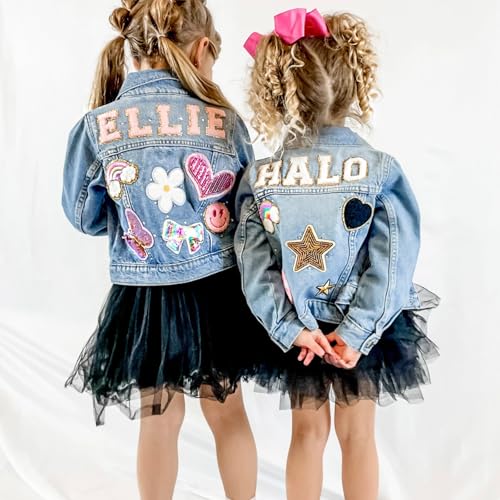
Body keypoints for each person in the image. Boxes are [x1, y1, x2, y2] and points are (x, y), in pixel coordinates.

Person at [62, 1, 271, 498]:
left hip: (144, 295)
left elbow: (81, 214)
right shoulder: (225, 121)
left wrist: (131, 219)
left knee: (157, 419)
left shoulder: (99, 124)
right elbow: (248, 205)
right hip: (217, 290)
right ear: (202, 50)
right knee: (228, 412)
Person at [236, 8, 440, 500]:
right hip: (359, 325)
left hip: (302, 329)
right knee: (359, 436)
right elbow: (393, 261)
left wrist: (290, 328)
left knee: (306, 435)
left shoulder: (261, 177)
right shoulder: (378, 168)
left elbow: (254, 268)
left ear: (282, 95)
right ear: (352, 86)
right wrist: (357, 332)